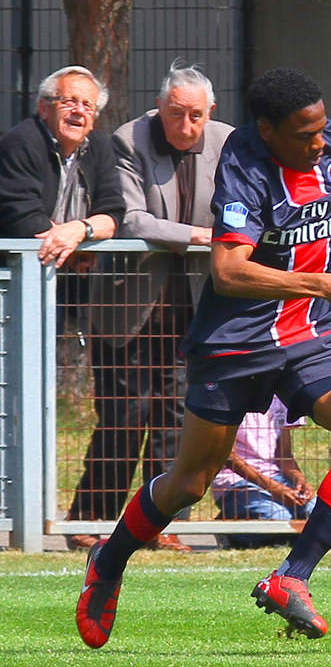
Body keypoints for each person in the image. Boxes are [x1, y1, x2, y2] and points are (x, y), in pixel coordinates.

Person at [75, 67, 331, 649]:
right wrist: (326, 284)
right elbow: (227, 272)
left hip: (308, 332)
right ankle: (109, 559)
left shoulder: (325, 141)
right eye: (304, 135)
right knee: (191, 481)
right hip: (238, 337)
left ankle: (291, 577)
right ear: (268, 130)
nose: (319, 142)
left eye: (323, 129)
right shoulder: (245, 169)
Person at [65, 62, 235, 553]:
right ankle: (90, 518)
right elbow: (133, 219)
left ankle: (159, 524)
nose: (185, 127)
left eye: (196, 116)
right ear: (160, 106)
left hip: (199, 303)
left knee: (175, 419)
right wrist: (199, 236)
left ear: (211, 112)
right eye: (176, 114)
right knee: (124, 413)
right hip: (130, 301)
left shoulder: (227, 141)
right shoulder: (126, 139)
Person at [0, 65, 123, 262]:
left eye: (87, 105)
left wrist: (80, 230)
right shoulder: (22, 142)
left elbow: (112, 216)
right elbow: (24, 219)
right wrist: (72, 252)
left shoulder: (100, 147)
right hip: (17, 270)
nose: (79, 111)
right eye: (69, 102)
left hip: (74, 273)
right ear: (43, 108)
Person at [212, 396, 315, 548]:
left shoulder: (280, 399)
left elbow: (285, 456)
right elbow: (228, 456)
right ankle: (229, 532)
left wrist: (300, 480)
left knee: (318, 511)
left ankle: (282, 538)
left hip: (276, 478)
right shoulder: (231, 397)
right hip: (235, 482)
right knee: (280, 517)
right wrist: (274, 488)